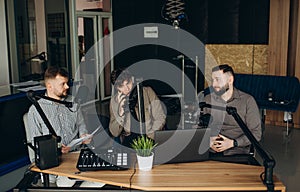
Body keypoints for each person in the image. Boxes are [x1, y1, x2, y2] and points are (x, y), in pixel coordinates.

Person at [27, 66, 103, 187]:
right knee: (67, 183)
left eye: (67, 83)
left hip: (76, 157)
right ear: (49, 86)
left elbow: (81, 126)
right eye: (63, 84)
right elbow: (35, 147)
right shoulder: (36, 110)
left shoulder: (73, 103)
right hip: (57, 164)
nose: (67, 87)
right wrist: (55, 150)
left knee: (102, 179)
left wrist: (84, 136)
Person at [203, 64, 262, 157]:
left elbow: (256, 133)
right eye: (213, 80)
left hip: (237, 151)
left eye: (218, 80)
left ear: (230, 80)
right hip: (209, 150)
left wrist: (233, 143)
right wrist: (208, 140)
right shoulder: (207, 99)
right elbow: (198, 125)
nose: (214, 84)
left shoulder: (248, 101)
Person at [109, 68, 166, 147]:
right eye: (121, 86)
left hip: (149, 138)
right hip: (129, 141)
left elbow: (160, 117)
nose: (127, 89)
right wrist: (120, 113)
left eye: (128, 83)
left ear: (132, 80)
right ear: (116, 88)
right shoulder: (114, 102)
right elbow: (115, 132)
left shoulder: (148, 92)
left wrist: (151, 137)